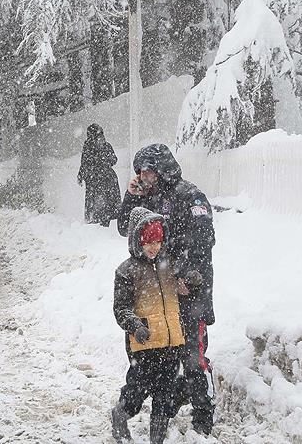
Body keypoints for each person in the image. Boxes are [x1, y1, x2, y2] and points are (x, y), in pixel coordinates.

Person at [117, 143, 216, 436]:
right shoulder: (147, 197)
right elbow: (125, 228)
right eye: (140, 172)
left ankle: (203, 417)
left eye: (145, 170)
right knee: (162, 356)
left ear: (159, 169)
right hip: (159, 295)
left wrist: (189, 278)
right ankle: (169, 403)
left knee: (193, 357)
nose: (142, 176)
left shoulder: (190, 196)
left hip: (189, 293)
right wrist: (131, 196)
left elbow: (203, 243)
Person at [111, 207, 185, 444]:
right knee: (137, 391)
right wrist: (136, 326)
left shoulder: (169, 265)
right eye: (148, 242)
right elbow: (121, 308)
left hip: (171, 342)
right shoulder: (127, 271)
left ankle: (157, 440)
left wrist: (191, 282)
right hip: (144, 343)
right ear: (137, 241)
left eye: (158, 241)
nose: (154, 247)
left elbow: (182, 294)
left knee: (165, 395)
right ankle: (120, 414)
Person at [77, 124, 120, 226]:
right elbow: (84, 162)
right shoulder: (89, 146)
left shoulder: (104, 145)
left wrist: (82, 174)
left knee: (103, 202)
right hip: (97, 179)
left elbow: (114, 160)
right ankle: (98, 223)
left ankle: (102, 222)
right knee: (100, 202)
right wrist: (81, 174)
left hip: (102, 178)